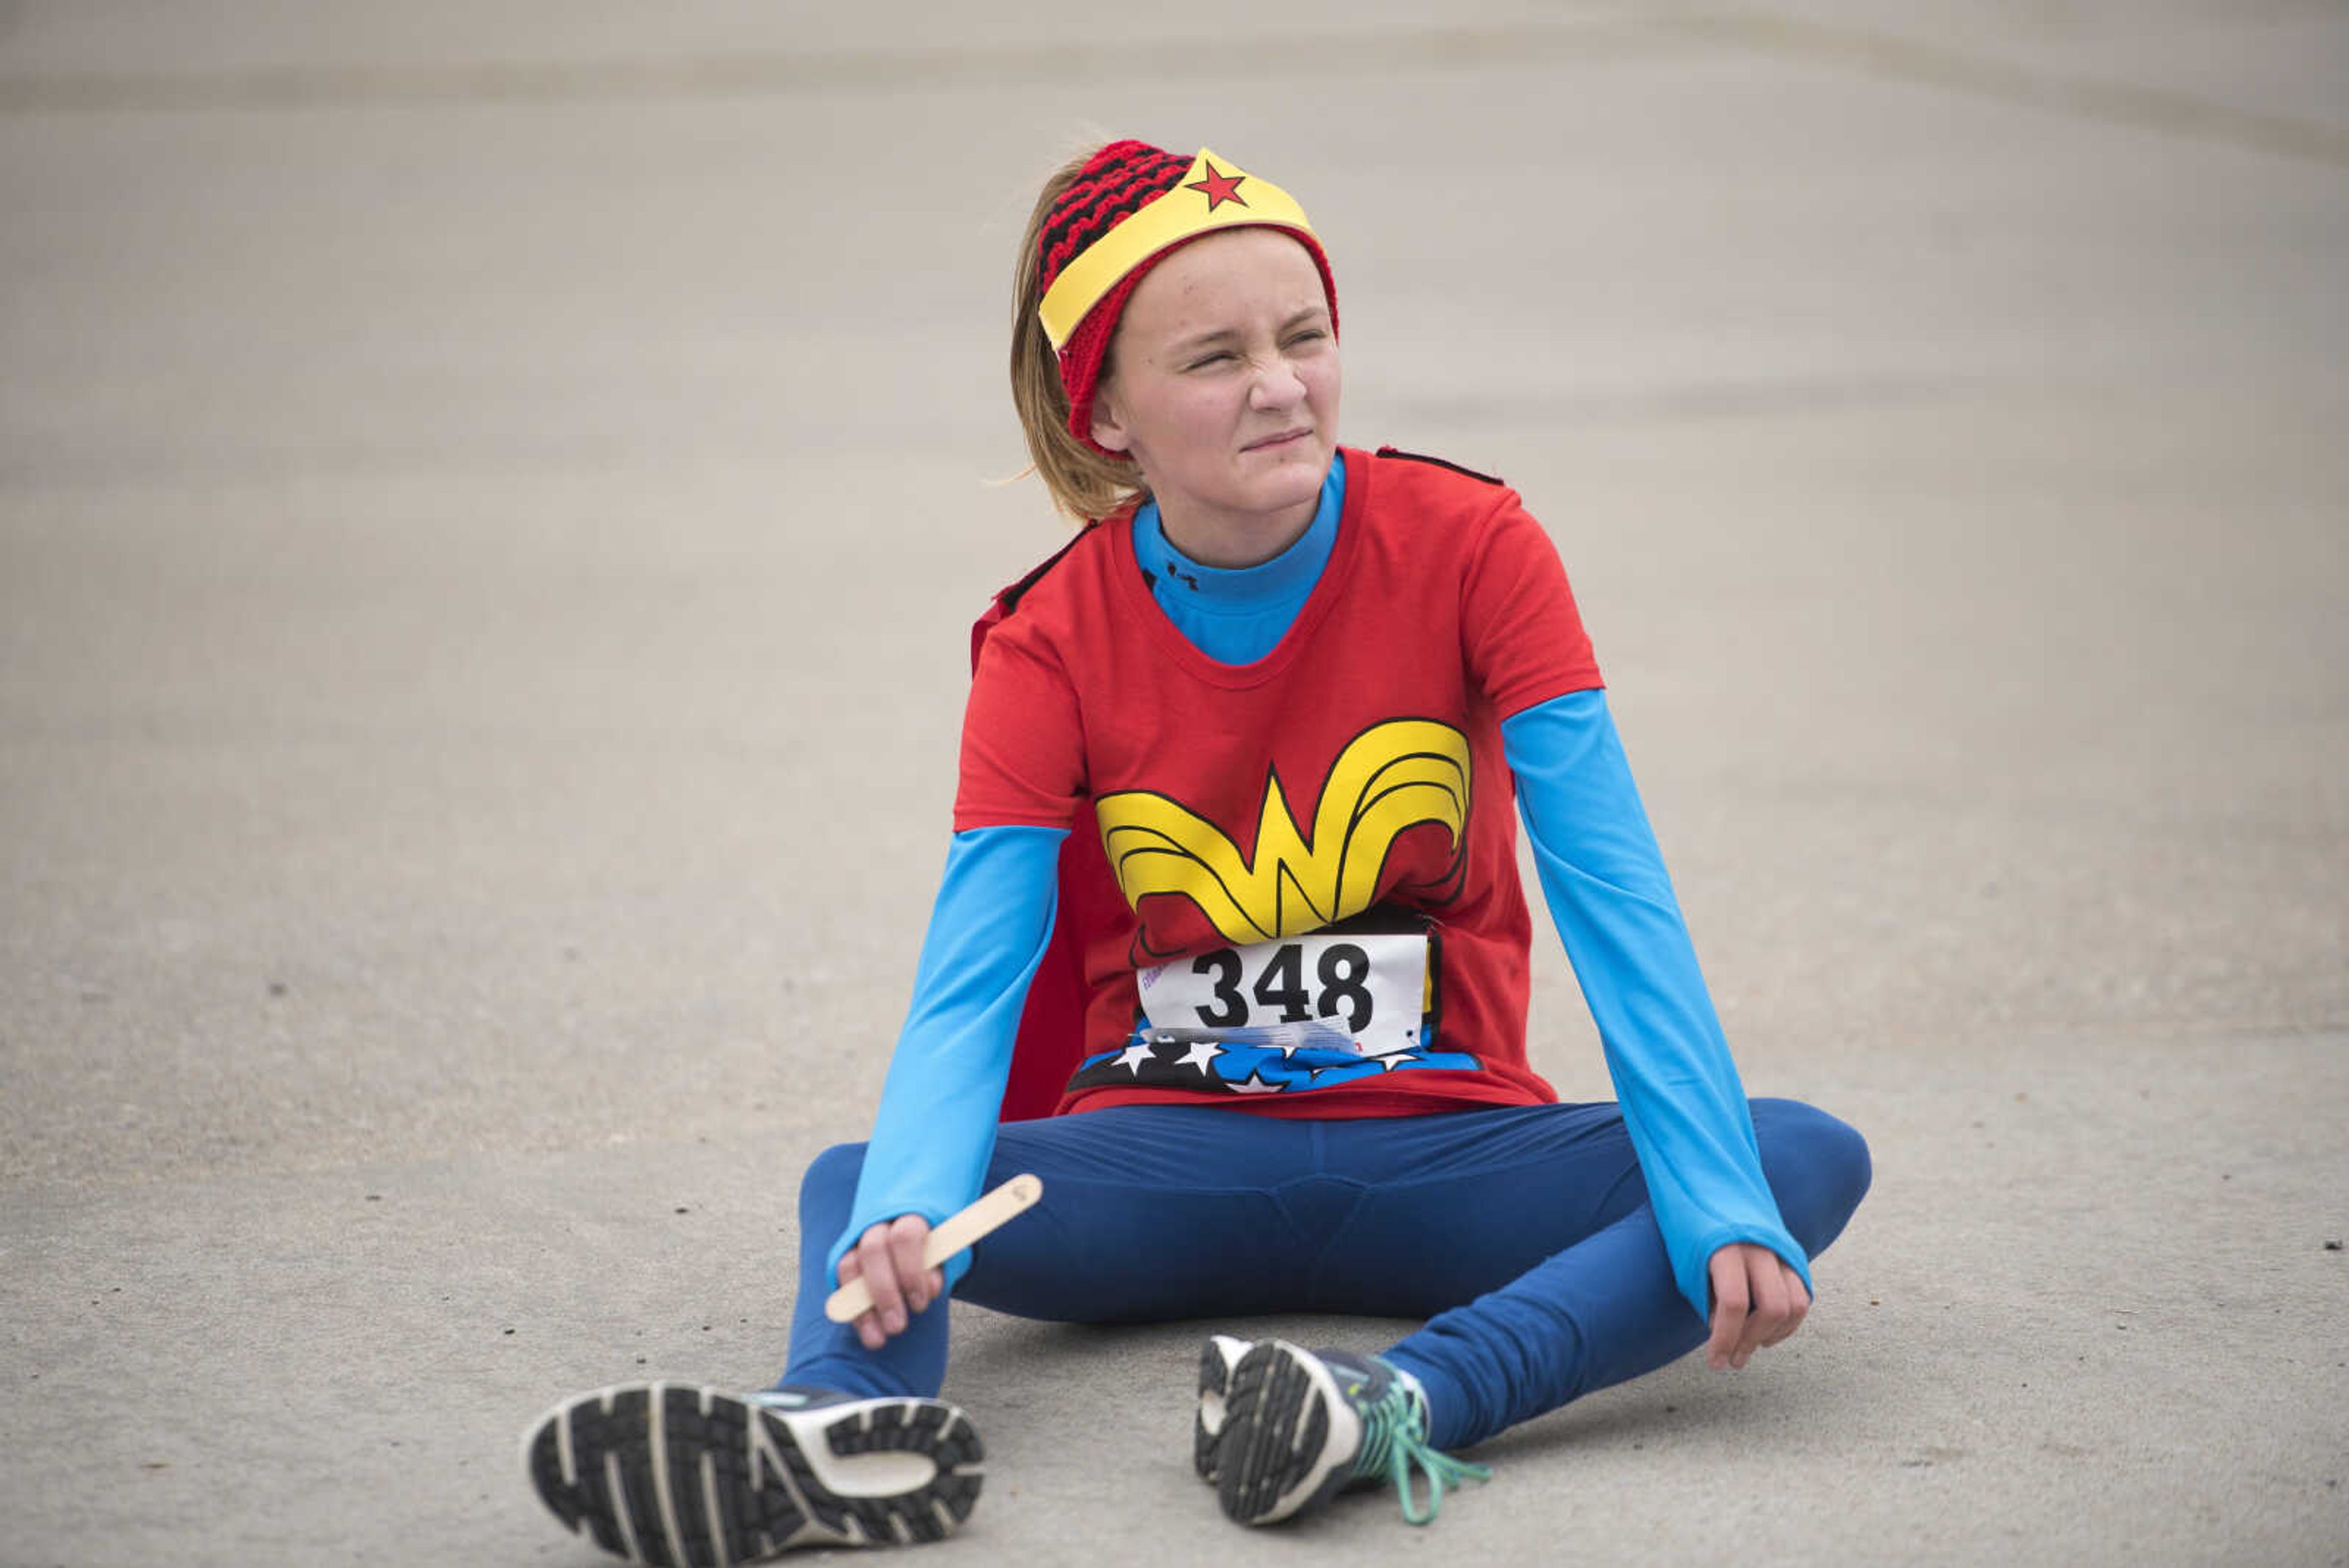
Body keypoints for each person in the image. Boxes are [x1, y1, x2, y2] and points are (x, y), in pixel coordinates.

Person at [522, 138, 1871, 1565]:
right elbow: (977, 961)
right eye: (1215, 357)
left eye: (1305, 336)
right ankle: (837, 1431)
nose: (1282, 384)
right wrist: (915, 1203)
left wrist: (1713, 1191)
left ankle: (1399, 1401)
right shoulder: (1049, 636)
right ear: (1106, 414)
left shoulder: (1479, 546)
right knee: (856, 1183)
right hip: (1159, 1159)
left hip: (1449, 1142)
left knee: (1790, 1159)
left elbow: (1616, 891)